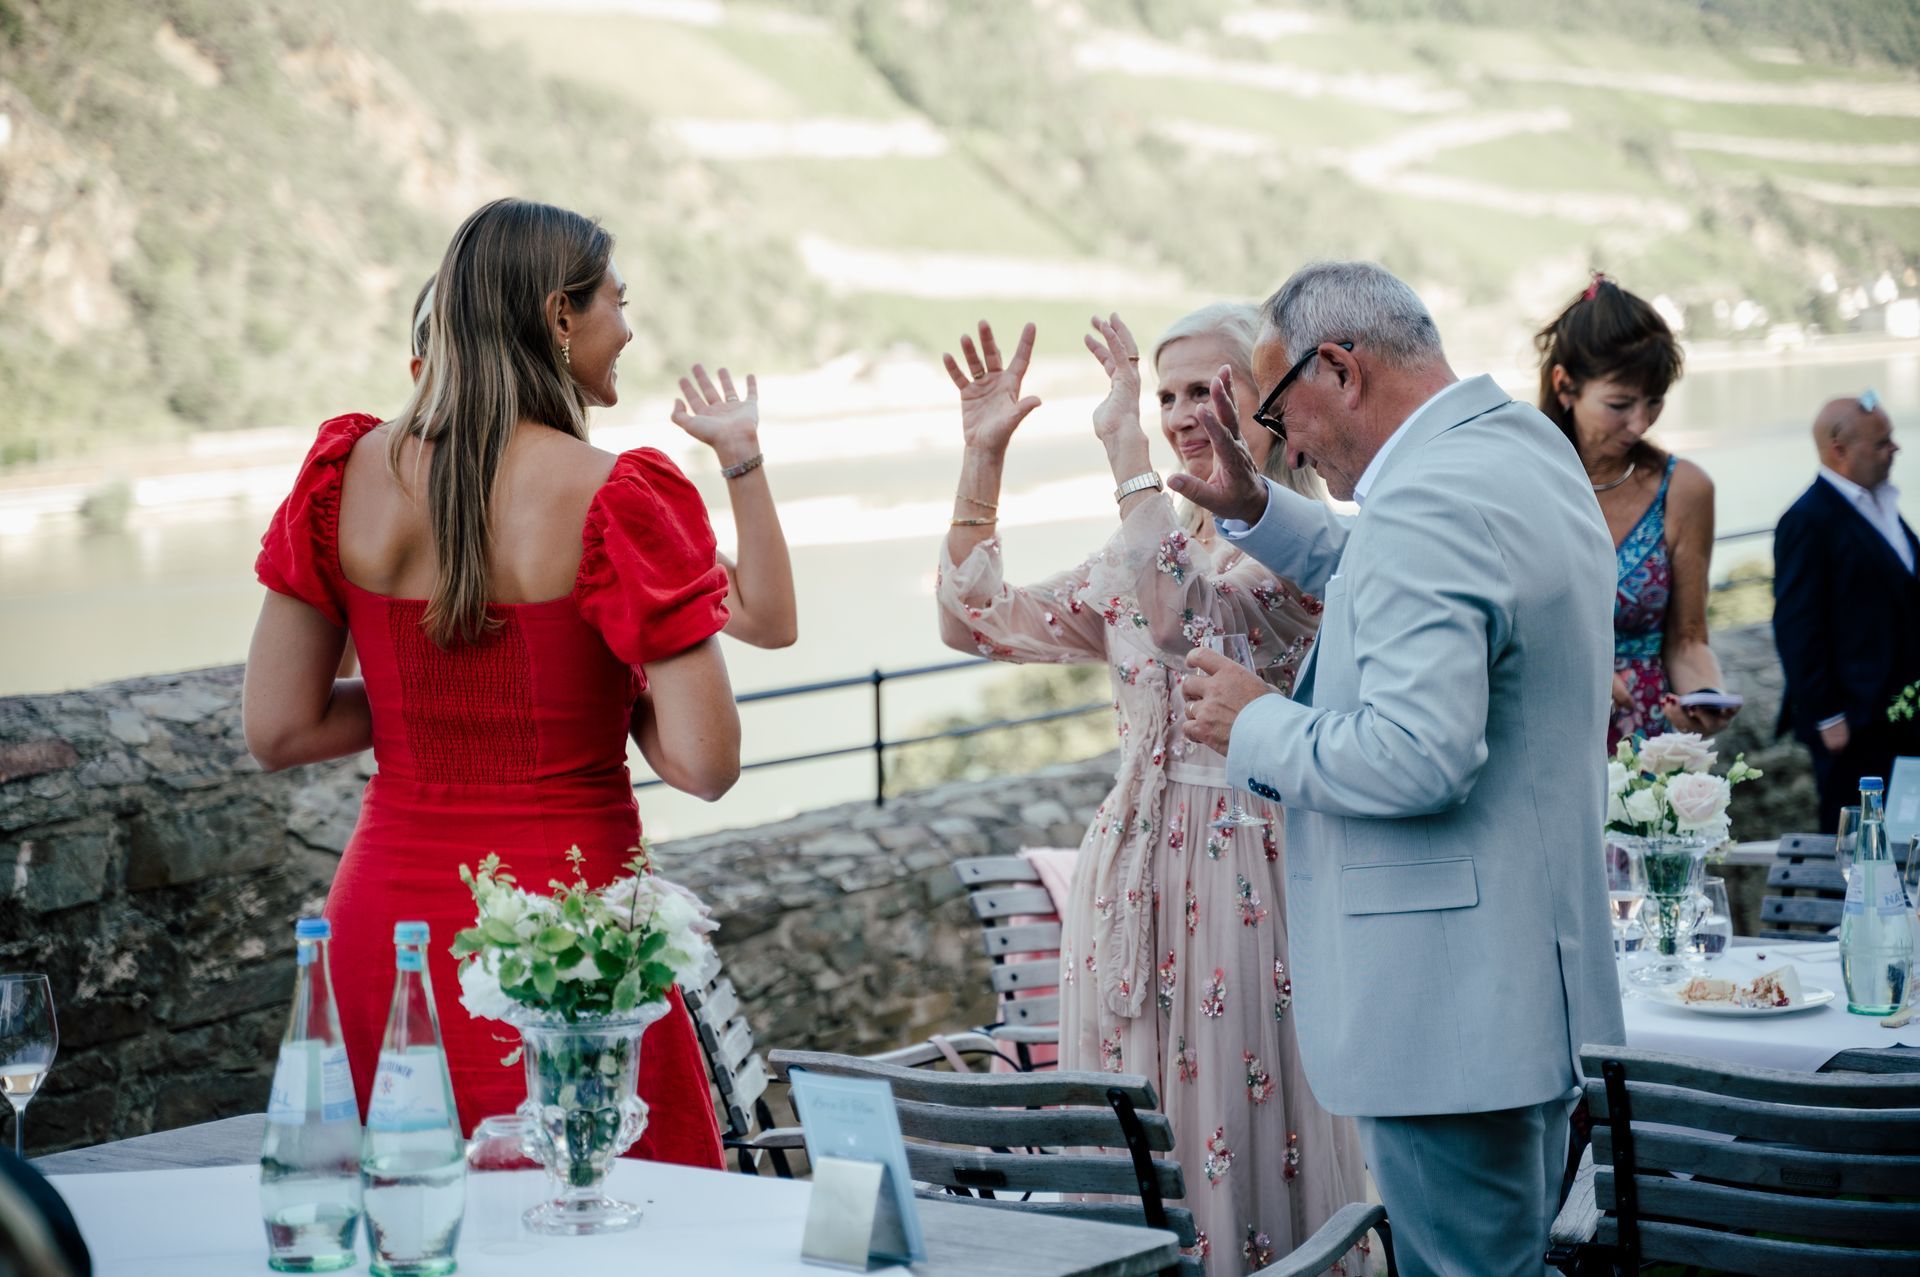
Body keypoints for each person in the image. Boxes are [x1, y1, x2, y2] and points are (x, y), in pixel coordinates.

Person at [242, 198, 742, 1167]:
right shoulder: (619, 495)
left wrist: (420, 712)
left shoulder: (346, 475)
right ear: (559, 317)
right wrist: (614, 694)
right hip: (569, 957)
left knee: (401, 1232)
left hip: (386, 945)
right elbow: (708, 760)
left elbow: (279, 727)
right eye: (615, 303)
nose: (628, 330)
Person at [1177, 261, 1623, 1277]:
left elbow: (1420, 755)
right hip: (1519, 987)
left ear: (1341, 367)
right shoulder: (1511, 452)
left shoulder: (1429, 500)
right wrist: (1258, 508)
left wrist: (1257, 726)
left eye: (1281, 412)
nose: (1281, 444)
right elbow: (1391, 567)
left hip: (1444, 1017)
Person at [934, 308, 1365, 1273]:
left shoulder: (1308, 556)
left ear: (1273, 408)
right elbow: (975, 619)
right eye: (1163, 392)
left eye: (1207, 390)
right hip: (1125, 879)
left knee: (1234, 1135)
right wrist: (982, 455)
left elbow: (1180, 615)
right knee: (1131, 1139)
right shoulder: (1141, 551)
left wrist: (1122, 441)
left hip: (1245, 873)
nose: (1176, 411)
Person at [407, 276, 796, 650]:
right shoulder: (607, 499)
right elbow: (766, 624)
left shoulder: (605, 503)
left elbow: (767, 621)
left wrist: (739, 449)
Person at [1535, 274, 1736, 749]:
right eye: (1620, 404)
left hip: (1649, 749)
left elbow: (1688, 640)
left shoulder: (1683, 488)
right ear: (1565, 386)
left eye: (1655, 401)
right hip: (1544, 736)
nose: (1641, 423)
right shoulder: (1520, 483)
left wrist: (1705, 697)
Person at [1773, 391, 1920, 832]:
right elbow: (1797, 626)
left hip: (1901, 716)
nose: (1894, 449)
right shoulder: (1807, 519)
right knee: (1855, 846)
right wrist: (1829, 716)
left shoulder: (1883, 506)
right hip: (1853, 724)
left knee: (1904, 836)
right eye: (1881, 442)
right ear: (1839, 450)